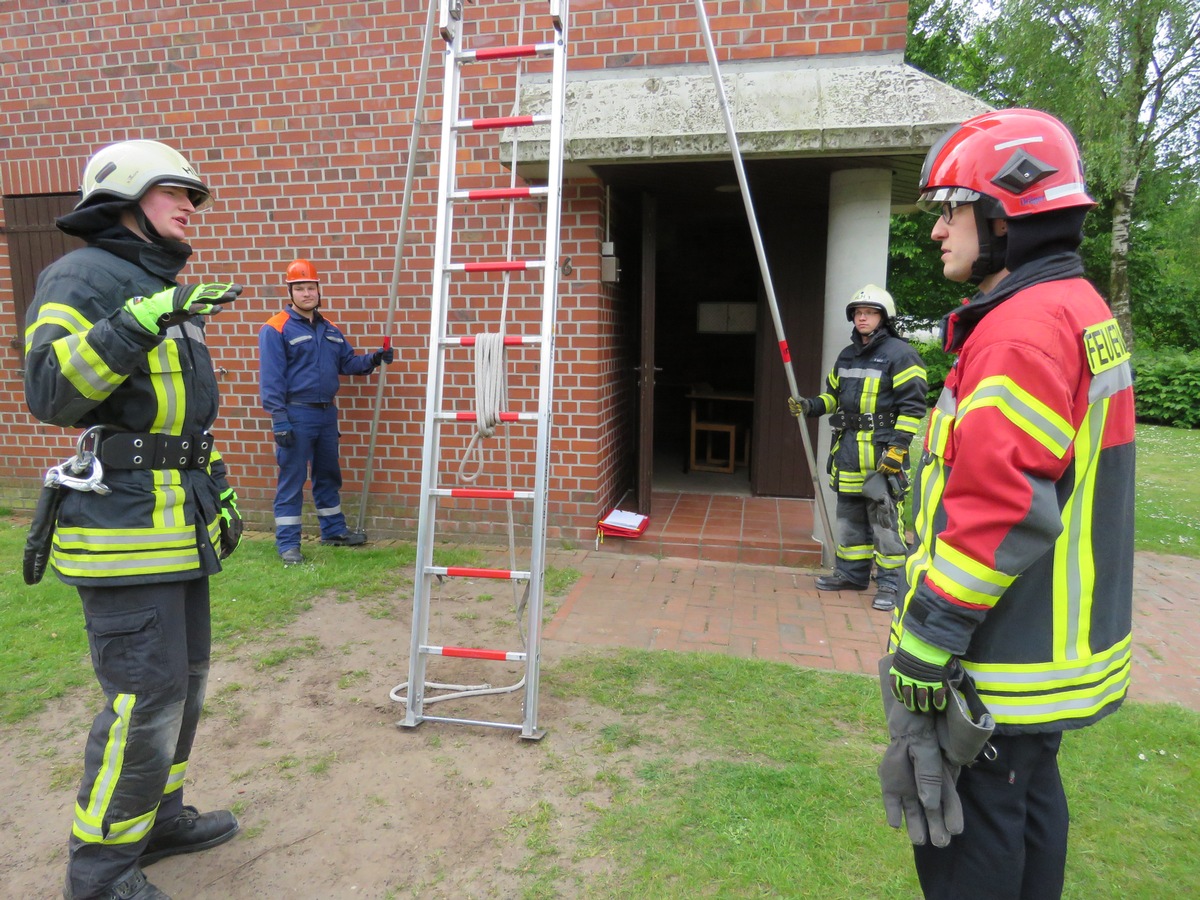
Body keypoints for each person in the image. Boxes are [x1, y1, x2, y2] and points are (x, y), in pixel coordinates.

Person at [880, 109, 1135, 899]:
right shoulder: (1079, 310)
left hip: (1002, 653)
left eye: (949, 210)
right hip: (1054, 646)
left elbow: (1000, 502)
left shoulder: (1022, 329)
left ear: (1005, 209)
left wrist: (931, 631)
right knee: (1028, 807)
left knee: (971, 837)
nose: (936, 233)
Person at [24, 139, 243, 900]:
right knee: (142, 702)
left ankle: (158, 821)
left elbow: (169, 417)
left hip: (173, 526)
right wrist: (135, 323)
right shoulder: (81, 276)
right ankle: (101, 869)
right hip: (121, 535)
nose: (191, 206)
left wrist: (213, 477)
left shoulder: (157, 282)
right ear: (123, 199)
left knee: (184, 687)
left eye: (194, 196)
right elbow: (51, 391)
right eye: (174, 192)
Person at [789, 284, 928, 612]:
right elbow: (833, 396)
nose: (862, 317)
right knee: (849, 516)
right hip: (849, 451)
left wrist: (897, 449)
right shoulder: (846, 356)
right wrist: (809, 406)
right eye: (858, 312)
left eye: (869, 312)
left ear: (884, 317)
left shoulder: (901, 354)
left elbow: (913, 408)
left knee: (883, 520)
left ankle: (892, 582)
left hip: (882, 456)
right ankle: (852, 574)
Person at [258, 258, 394, 565]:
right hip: (295, 414)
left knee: (328, 475)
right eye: (300, 288)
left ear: (319, 290)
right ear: (289, 292)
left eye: (311, 288)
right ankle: (288, 545)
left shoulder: (330, 329)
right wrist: (278, 418)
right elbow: (271, 379)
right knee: (292, 480)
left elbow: (347, 364)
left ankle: (333, 531)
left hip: (326, 415)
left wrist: (374, 358)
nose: (307, 293)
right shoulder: (275, 328)